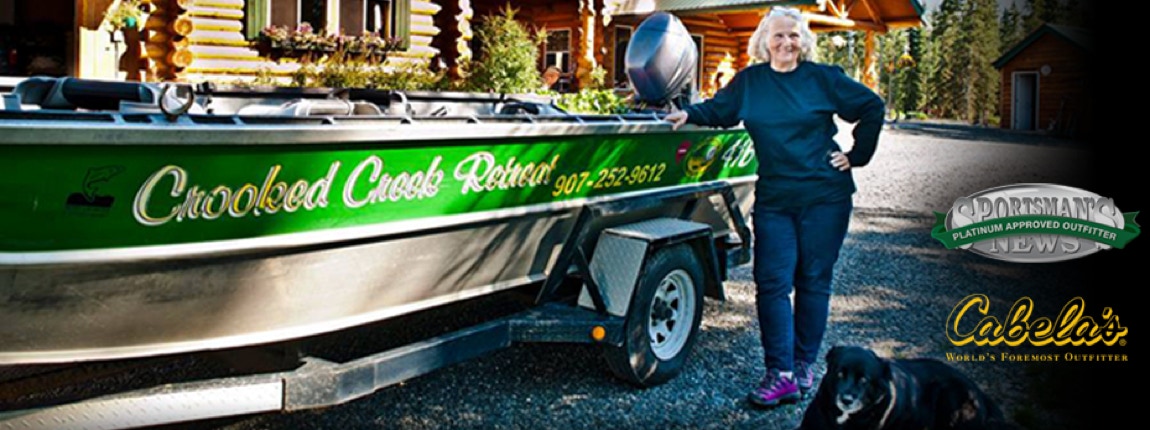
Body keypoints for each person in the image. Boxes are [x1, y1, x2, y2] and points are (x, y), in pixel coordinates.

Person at [664, 7, 883, 409]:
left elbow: (872, 107)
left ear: (804, 41)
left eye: (794, 36)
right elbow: (718, 110)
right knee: (772, 283)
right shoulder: (751, 83)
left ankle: (803, 367)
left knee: (814, 281)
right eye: (779, 36)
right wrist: (686, 114)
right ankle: (779, 373)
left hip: (825, 198)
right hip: (775, 202)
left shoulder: (823, 78)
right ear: (764, 40)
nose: (786, 43)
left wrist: (856, 156)